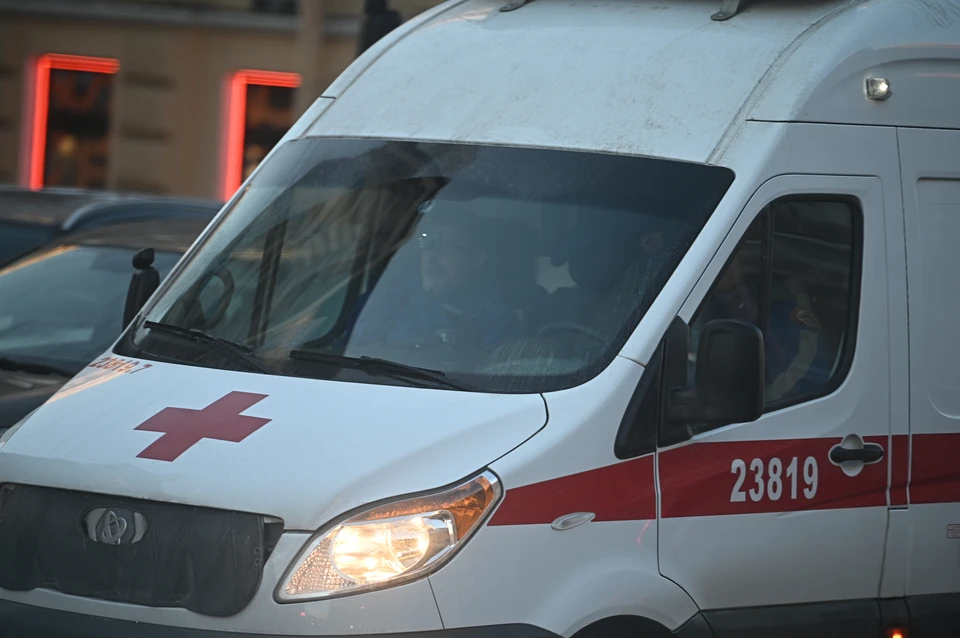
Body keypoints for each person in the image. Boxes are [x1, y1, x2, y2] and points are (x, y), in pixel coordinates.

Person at [345, 207, 525, 356]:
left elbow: (497, 372)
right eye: (429, 243)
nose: (433, 254)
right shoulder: (380, 300)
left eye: (448, 245)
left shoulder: (497, 315)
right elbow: (348, 354)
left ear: (477, 259)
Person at [695, 251, 834, 402]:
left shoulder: (784, 306)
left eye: (726, 259)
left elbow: (805, 379)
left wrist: (757, 402)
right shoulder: (702, 303)